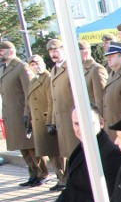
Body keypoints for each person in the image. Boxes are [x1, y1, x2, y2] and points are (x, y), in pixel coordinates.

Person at [0, 41, 47, 187]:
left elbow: (29, 92)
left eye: (2, 50)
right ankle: (33, 173)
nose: (0, 52)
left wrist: (28, 113)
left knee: (31, 146)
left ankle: (42, 173)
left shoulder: (21, 66)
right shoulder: (4, 68)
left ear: (11, 51)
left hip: (22, 112)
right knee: (23, 147)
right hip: (11, 113)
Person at [25, 54, 63, 184]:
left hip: (46, 119)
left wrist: (50, 121)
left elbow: (52, 101)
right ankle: (60, 178)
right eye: (33, 65)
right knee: (50, 152)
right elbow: (29, 101)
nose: (36, 67)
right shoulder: (33, 80)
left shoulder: (48, 78)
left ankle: (63, 179)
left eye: (38, 63)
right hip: (37, 121)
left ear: (44, 63)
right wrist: (27, 117)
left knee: (55, 152)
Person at [48, 38, 75, 190]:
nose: (54, 53)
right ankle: (69, 182)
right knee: (67, 153)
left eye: (56, 50)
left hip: (71, 118)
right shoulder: (54, 70)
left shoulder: (69, 67)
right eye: (51, 51)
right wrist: (52, 121)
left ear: (63, 50)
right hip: (60, 120)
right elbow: (53, 99)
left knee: (76, 152)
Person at [101, 44, 121, 136]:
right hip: (111, 127)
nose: (108, 59)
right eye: (107, 56)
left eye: (111, 56)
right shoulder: (112, 74)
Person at [79, 41, 107, 118]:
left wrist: (99, 118)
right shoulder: (79, 69)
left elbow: (101, 99)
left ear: (85, 53)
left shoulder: (96, 69)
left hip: (93, 117)